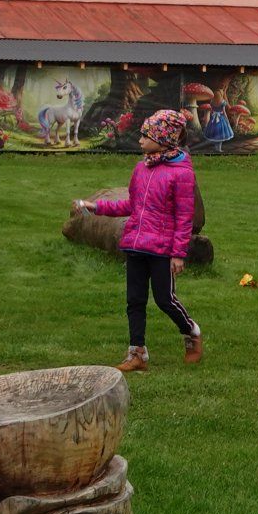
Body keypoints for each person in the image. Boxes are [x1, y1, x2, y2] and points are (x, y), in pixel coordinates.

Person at [77, 111, 205, 373]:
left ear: (164, 138)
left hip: (162, 249)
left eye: (146, 135)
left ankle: (191, 331)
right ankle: (137, 355)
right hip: (135, 244)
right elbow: (131, 205)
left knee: (164, 299)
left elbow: (184, 217)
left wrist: (178, 253)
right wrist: (96, 207)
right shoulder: (141, 167)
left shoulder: (182, 174)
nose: (140, 140)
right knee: (134, 301)